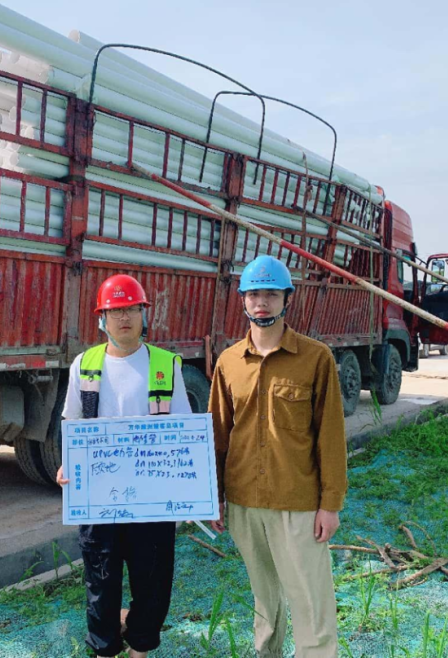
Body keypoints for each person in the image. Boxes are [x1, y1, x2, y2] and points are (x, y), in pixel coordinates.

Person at [208, 255, 348, 658]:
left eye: (270, 293)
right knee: (264, 597)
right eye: (254, 294)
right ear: (242, 301)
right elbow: (218, 435)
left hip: (298, 501)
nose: (261, 302)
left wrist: (330, 504)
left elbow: (331, 437)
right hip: (243, 502)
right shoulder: (229, 362)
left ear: (287, 298)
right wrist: (214, 495)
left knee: (311, 599)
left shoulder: (315, 358)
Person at [56, 273, 193, 658]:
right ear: (102, 318)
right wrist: (68, 465)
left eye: (132, 308)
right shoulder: (84, 364)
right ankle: (104, 649)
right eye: (116, 311)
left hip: (150, 500)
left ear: (144, 314)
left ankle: (141, 647)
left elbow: (184, 430)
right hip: (100, 499)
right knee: (101, 579)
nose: (125, 317)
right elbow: (72, 423)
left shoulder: (166, 365)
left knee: (153, 579)